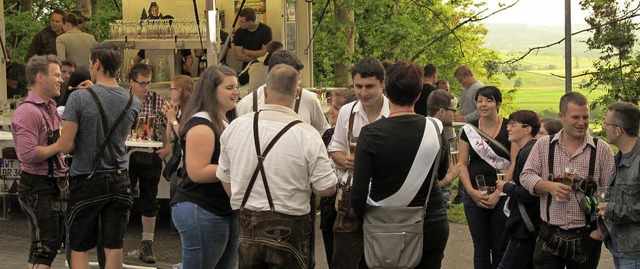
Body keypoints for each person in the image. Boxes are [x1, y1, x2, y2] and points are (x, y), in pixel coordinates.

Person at [217, 64, 337, 268]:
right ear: (297, 93)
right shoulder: (307, 134)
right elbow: (327, 188)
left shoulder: (236, 127)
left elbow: (224, 176)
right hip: (290, 228)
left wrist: (247, 200)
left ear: (265, 90)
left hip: (247, 225)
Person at [351, 61, 450, 269]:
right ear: (418, 94)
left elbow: (358, 193)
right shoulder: (435, 127)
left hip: (384, 223)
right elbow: (440, 173)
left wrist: (362, 219)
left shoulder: (371, 133)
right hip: (429, 219)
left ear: (386, 87)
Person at [56, 42, 140, 269]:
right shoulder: (133, 101)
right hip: (120, 178)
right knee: (114, 246)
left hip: (87, 178)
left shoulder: (79, 98)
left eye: (90, 63)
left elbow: (66, 145)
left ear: (96, 64)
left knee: (78, 246)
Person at [520, 92, 614, 268]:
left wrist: (599, 232)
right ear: (561, 117)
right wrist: (548, 186)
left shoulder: (601, 150)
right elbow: (526, 176)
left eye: (585, 117)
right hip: (549, 234)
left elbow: (613, 193)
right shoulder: (544, 145)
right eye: (575, 117)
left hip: (586, 236)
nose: (582, 123)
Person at [171, 65, 239, 268]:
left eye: (236, 87)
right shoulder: (202, 125)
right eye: (229, 88)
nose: (236, 92)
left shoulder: (224, 120)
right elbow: (197, 172)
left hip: (222, 207)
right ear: (212, 90)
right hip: (201, 207)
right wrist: (238, 168)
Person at [327, 57, 390, 269]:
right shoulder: (347, 111)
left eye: (369, 86)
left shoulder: (394, 112)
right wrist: (345, 160)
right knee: (344, 260)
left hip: (385, 197)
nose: (363, 93)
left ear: (383, 83)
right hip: (350, 197)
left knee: (381, 261)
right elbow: (334, 148)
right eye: (358, 86)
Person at [11, 54, 68, 269]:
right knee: (45, 246)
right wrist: (59, 146)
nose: (61, 79)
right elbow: (27, 154)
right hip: (37, 185)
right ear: (40, 77)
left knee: (42, 246)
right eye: (56, 75)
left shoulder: (51, 107)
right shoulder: (27, 112)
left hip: (52, 184)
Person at [458, 86, 517, 269]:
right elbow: (462, 164)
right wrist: (470, 191)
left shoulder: (510, 128)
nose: (483, 104)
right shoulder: (468, 130)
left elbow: (514, 163)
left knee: (500, 247)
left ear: (498, 104)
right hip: (474, 195)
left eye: (489, 100)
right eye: (480, 100)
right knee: (481, 249)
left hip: (502, 196)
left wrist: (498, 193)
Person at [127, 62, 167, 264]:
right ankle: (115, 240)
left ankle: (147, 243)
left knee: (150, 199)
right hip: (126, 155)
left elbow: (174, 124)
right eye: (142, 83)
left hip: (150, 154)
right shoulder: (122, 99)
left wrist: (168, 147)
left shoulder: (158, 100)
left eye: (149, 83)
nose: (146, 87)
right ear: (131, 82)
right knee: (122, 198)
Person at [236, 50, 330, 133]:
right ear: (271, 75)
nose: (294, 85)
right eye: (289, 80)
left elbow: (323, 131)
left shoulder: (309, 99)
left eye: (297, 79)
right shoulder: (247, 104)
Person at [495, 110, 542, 269]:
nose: (508, 128)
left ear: (527, 129)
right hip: (530, 224)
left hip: (524, 227)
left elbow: (530, 192)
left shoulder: (528, 152)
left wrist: (506, 186)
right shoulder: (532, 149)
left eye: (513, 125)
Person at [599, 102, 640, 269]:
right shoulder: (619, 157)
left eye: (606, 123)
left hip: (635, 253)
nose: (603, 127)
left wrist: (611, 210)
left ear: (618, 130)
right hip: (619, 248)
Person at [319, 87, 357, 266]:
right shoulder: (328, 134)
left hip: (344, 203)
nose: (331, 111)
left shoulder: (361, 133)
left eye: (335, 107)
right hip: (331, 203)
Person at [452, 65, 484, 205]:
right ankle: (461, 192)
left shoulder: (478, 89)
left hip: (474, 130)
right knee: (462, 161)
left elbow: (480, 112)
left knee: (467, 161)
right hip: (465, 128)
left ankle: (463, 192)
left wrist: (464, 118)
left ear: (467, 75)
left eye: (461, 80)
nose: (461, 83)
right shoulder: (466, 89)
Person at [426, 89, 462, 201]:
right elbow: (432, 184)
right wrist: (452, 174)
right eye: (453, 110)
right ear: (441, 111)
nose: (454, 114)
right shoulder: (437, 136)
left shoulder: (423, 128)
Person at [157, 75, 195, 160]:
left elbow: (184, 136)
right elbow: (171, 139)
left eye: (172, 89)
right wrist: (169, 119)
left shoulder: (192, 110)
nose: (170, 92)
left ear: (180, 91)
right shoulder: (179, 109)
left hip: (192, 159)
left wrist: (173, 120)